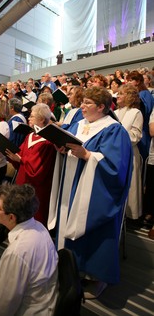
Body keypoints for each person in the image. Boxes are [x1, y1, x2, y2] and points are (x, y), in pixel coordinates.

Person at [49, 86, 133, 299]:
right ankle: (69, 269)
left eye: (87, 103)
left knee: (96, 233)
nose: (82, 107)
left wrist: (87, 155)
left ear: (102, 107)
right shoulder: (78, 125)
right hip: (70, 185)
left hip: (95, 192)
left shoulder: (114, 130)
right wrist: (62, 149)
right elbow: (68, 147)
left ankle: (97, 278)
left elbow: (116, 169)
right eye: (82, 101)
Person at [0, 183, 58, 316]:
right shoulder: (39, 227)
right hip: (45, 302)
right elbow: (28, 275)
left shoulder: (16, 252)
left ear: (11, 217)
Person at [6, 103, 56, 227]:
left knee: (33, 220)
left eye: (32, 117)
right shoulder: (30, 136)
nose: (28, 119)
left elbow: (37, 170)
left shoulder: (48, 142)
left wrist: (21, 160)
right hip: (22, 181)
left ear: (41, 120)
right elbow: (20, 156)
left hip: (36, 188)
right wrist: (13, 156)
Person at [115, 84, 143, 220]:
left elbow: (136, 136)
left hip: (129, 153)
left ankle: (129, 216)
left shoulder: (136, 113)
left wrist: (118, 133)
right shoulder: (114, 112)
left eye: (121, 93)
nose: (117, 96)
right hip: (114, 153)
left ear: (130, 96)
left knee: (130, 187)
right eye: (118, 93)